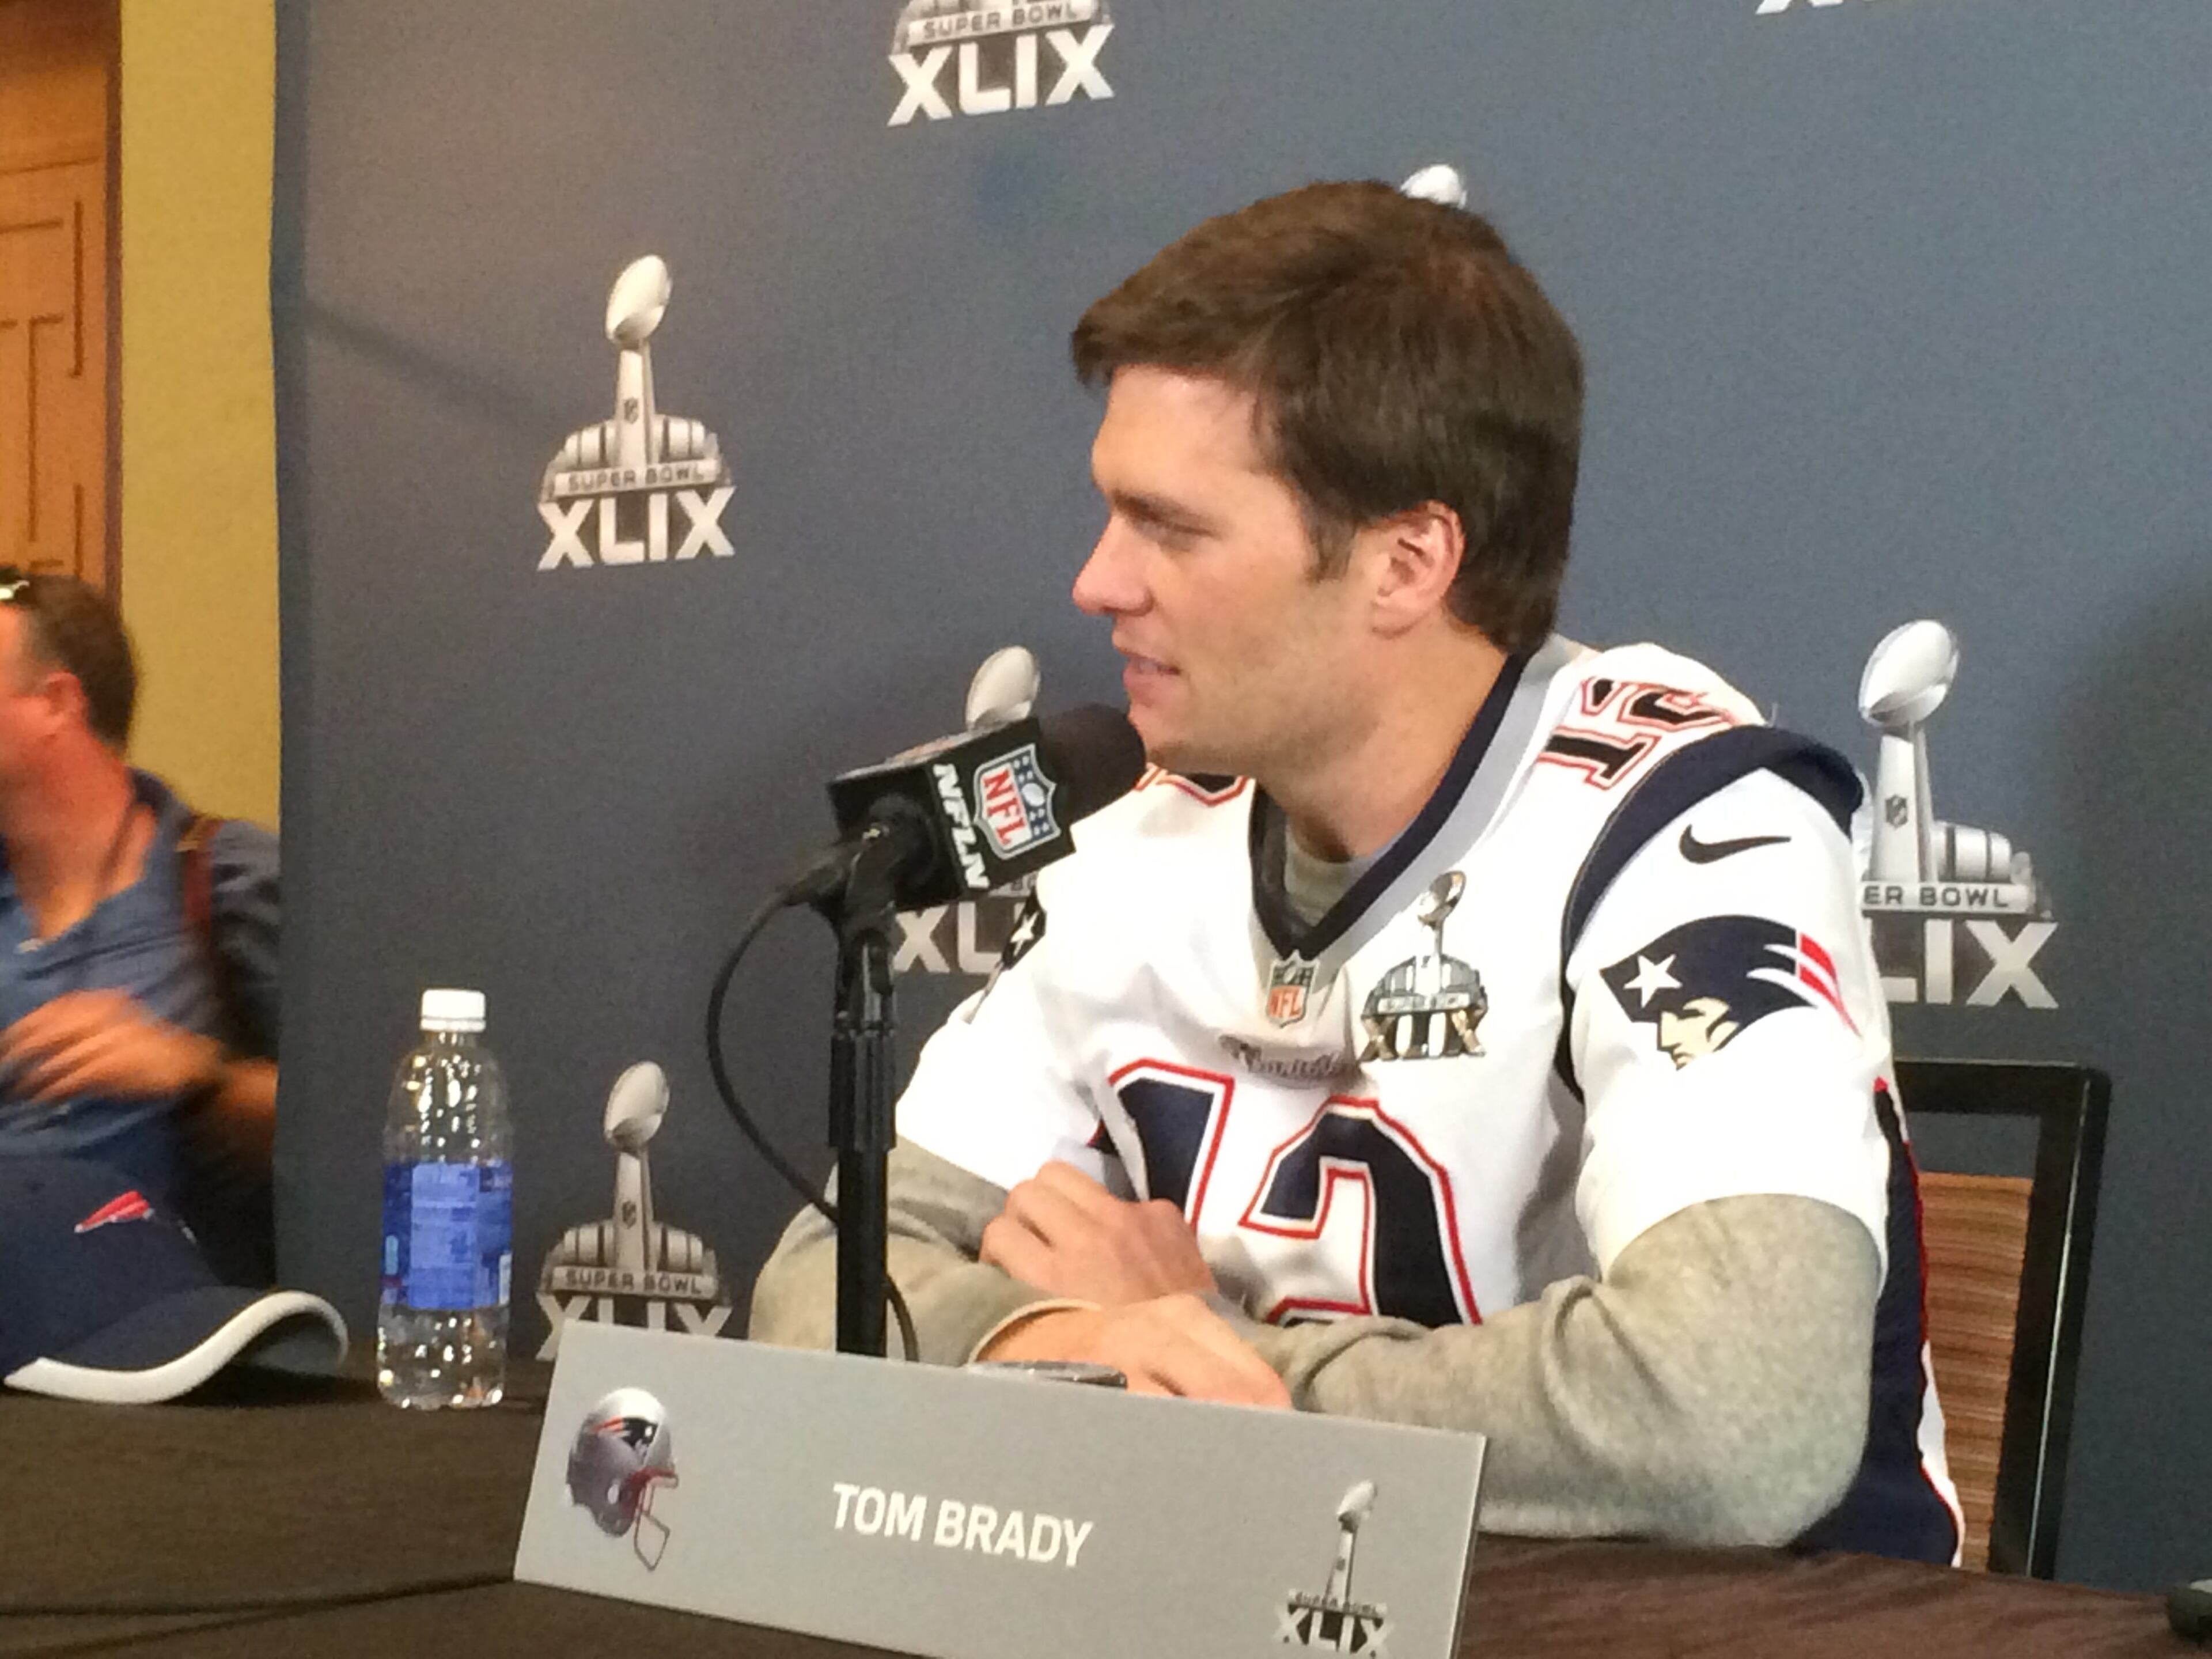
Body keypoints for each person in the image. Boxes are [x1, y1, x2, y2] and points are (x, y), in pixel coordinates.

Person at [751, 180, 1960, 1563]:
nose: (1096, 581)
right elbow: (820, 1290)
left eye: (1171, 526)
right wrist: (1055, 1333)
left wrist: (1200, 1360)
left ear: (1404, 560)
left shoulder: (1687, 826)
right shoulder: (1134, 827)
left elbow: (1731, 1417)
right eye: (1109, 513)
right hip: (1281, 1599)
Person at [0, 569, 279, 1285]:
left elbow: (374, 1119)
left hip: (157, 1340)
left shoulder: (225, 879)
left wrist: (196, 1074)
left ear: (56, 704)